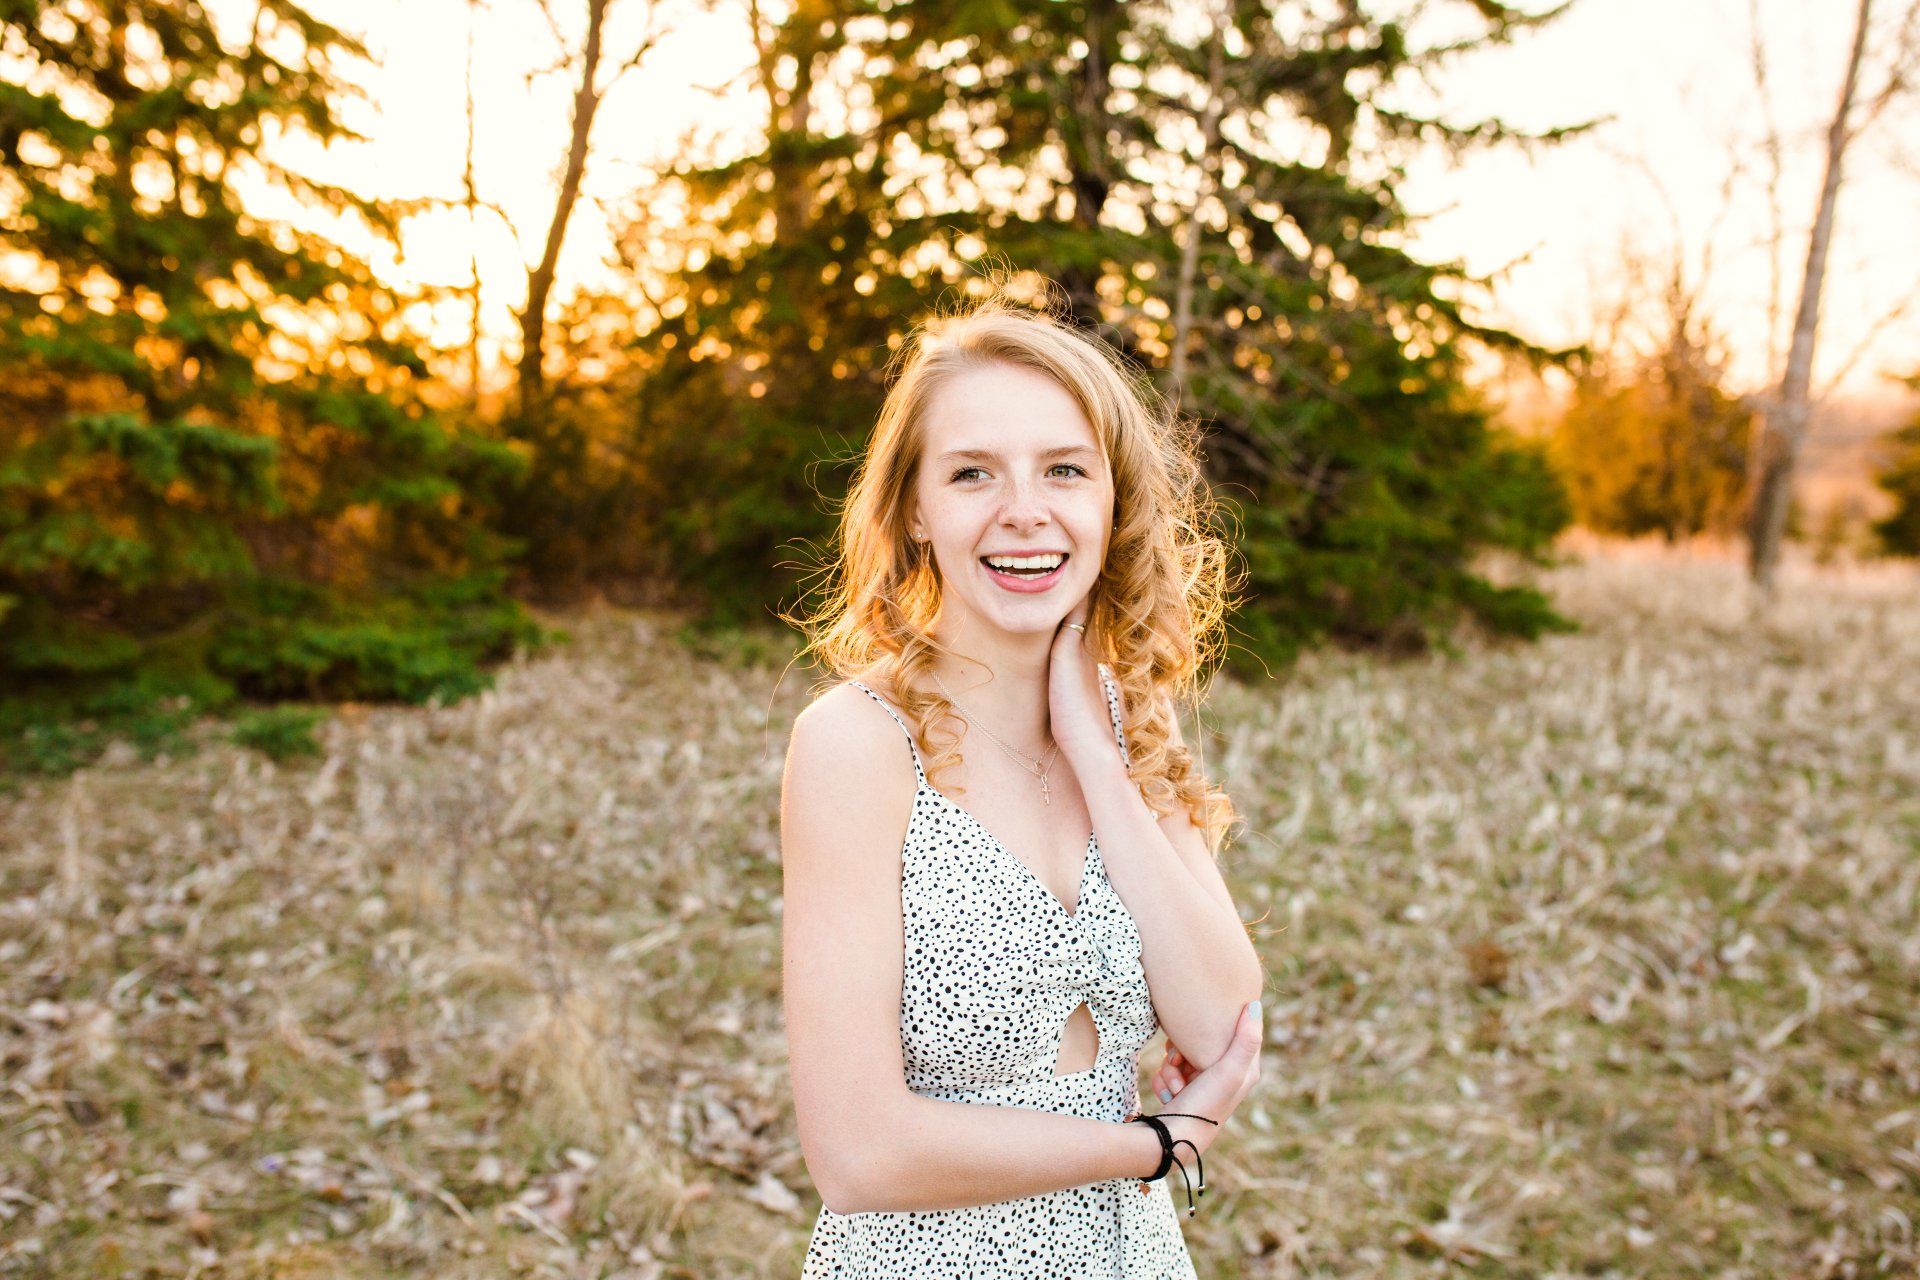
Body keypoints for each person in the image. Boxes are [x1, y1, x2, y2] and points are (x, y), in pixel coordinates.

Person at [780, 293, 1265, 1278]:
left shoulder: (1128, 722)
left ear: (1112, 500)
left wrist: (1096, 753)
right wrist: (1147, 1146)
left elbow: (1222, 1024)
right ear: (915, 509)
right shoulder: (855, 746)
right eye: (973, 473)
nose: (1025, 511)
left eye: (1064, 469)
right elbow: (858, 1155)